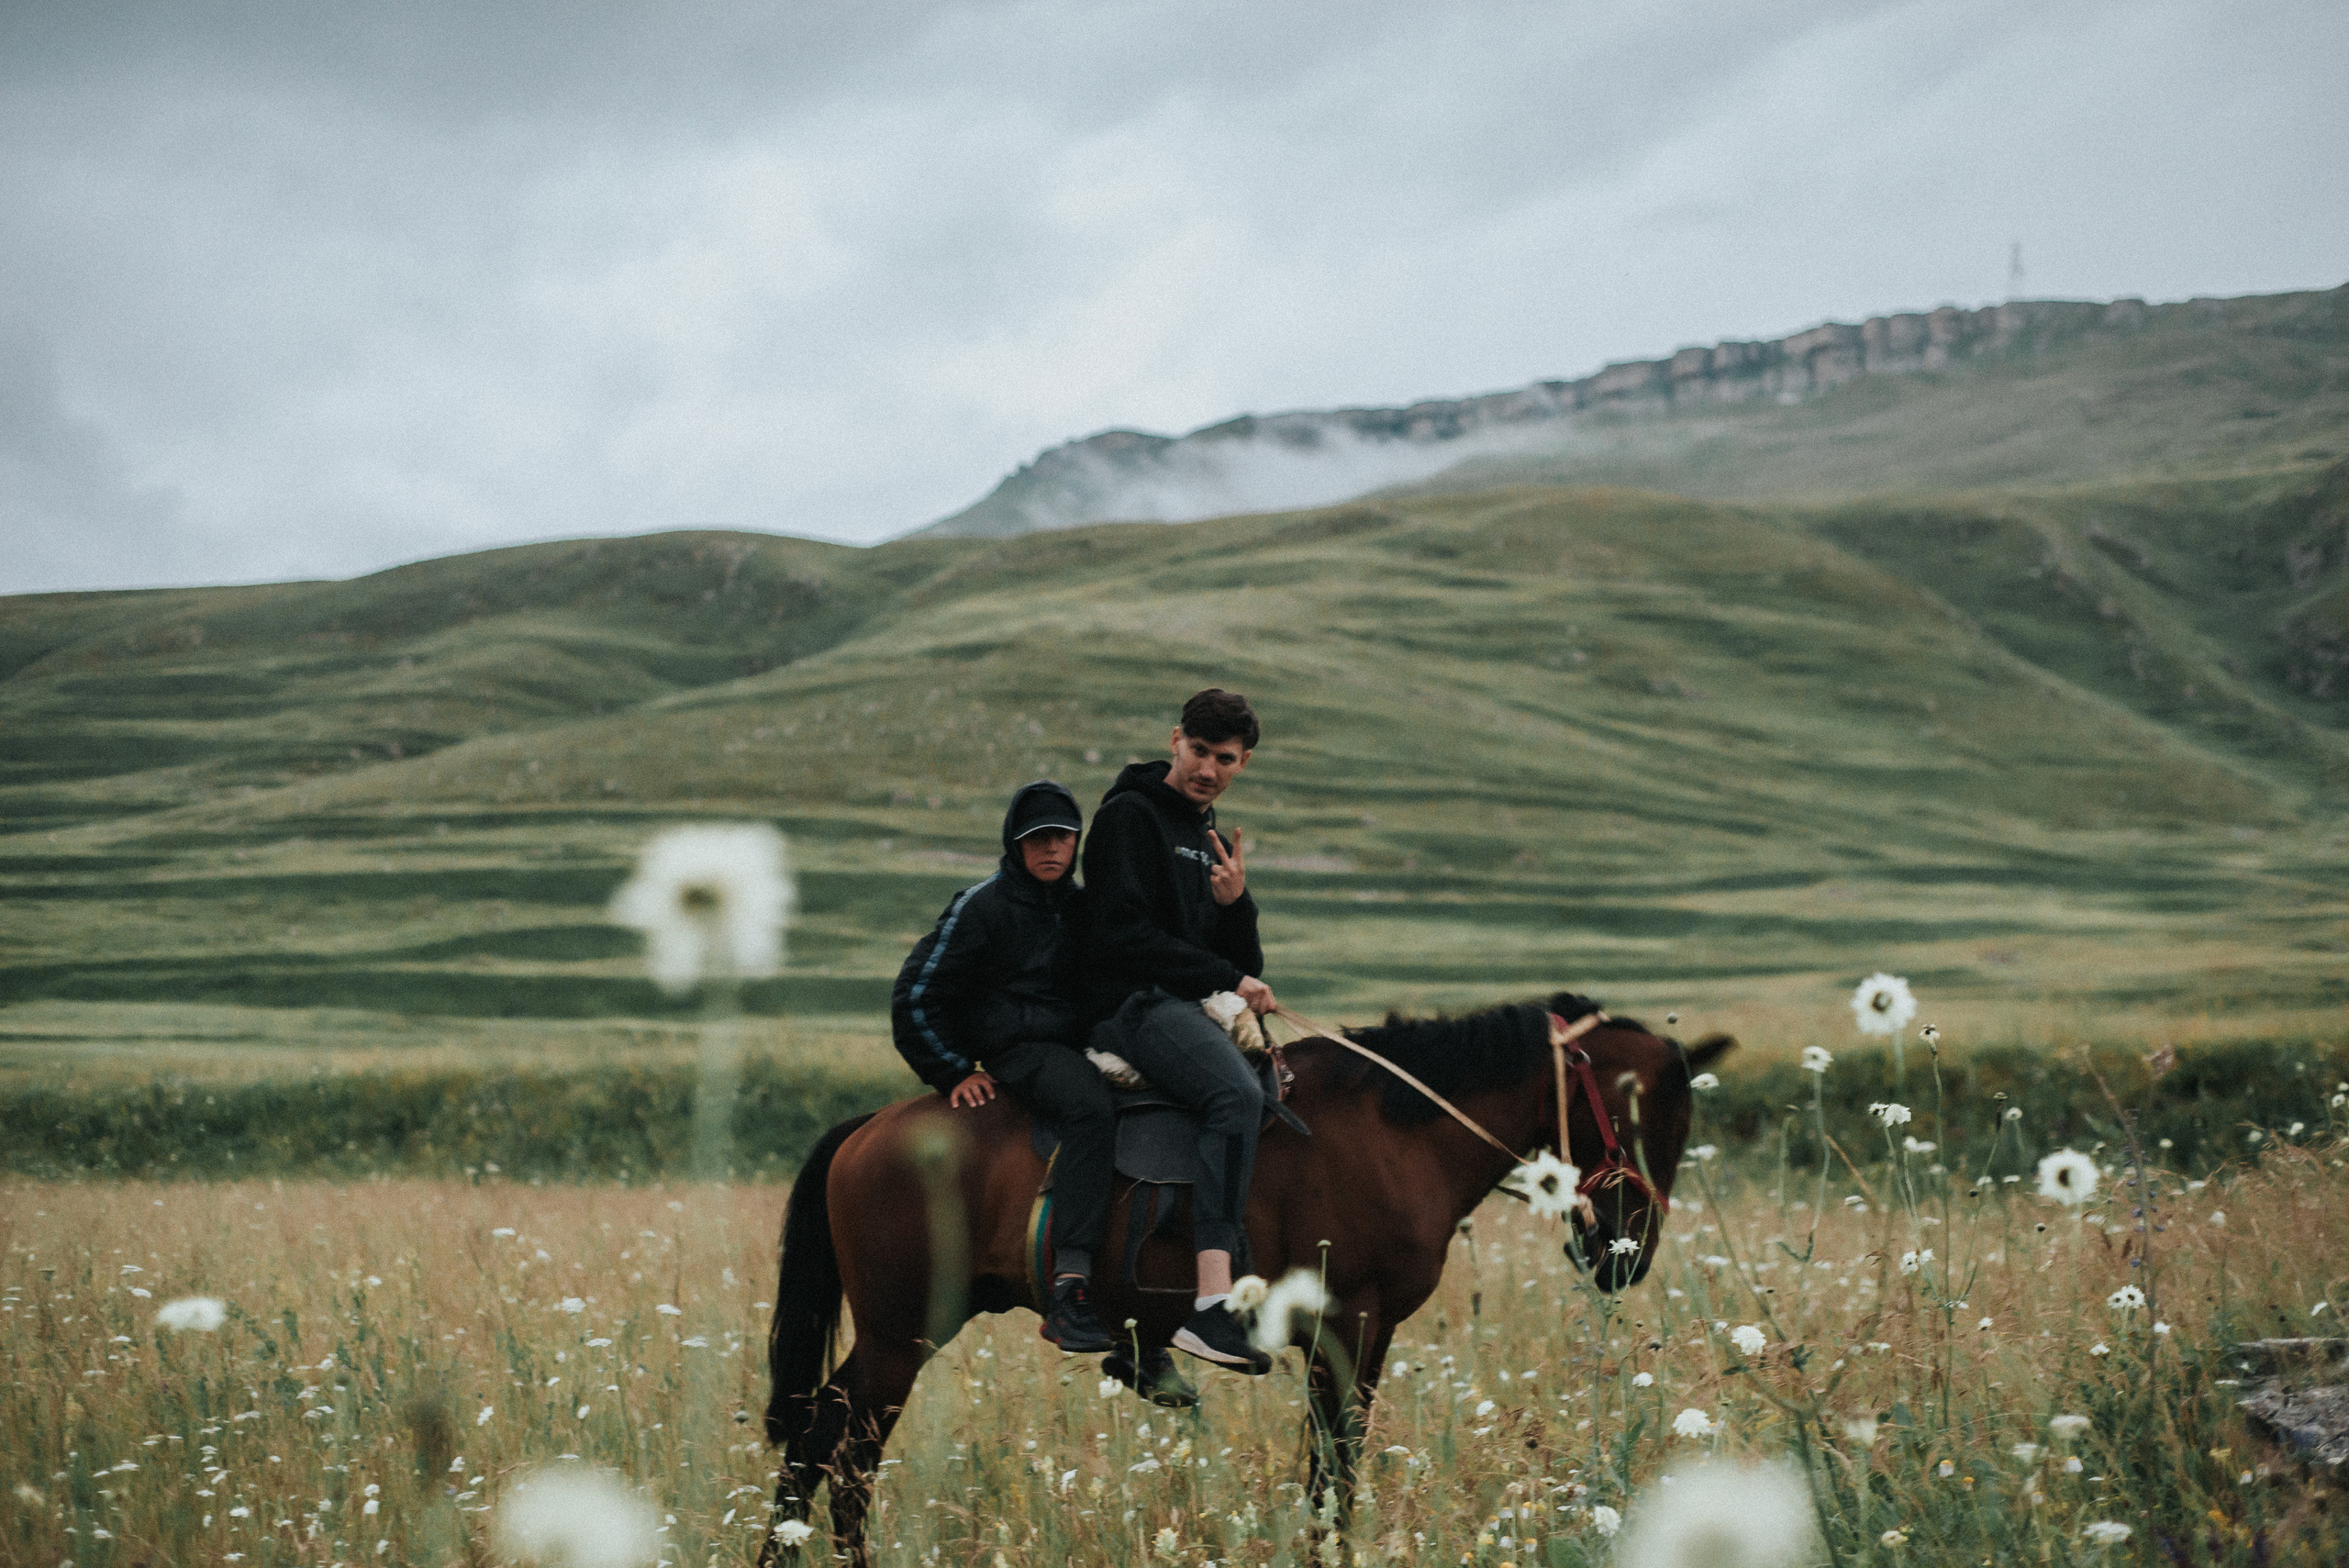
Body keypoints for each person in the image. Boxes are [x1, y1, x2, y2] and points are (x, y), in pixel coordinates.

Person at [1078, 688, 1276, 1373]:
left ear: (1243, 762)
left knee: (1270, 1089)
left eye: (1224, 758)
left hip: (1183, 1002)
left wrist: (1235, 903)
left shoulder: (1206, 834)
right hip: (1131, 1003)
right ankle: (1209, 1303)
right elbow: (1122, 934)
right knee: (1235, 1098)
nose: (1207, 769)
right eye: (1198, 751)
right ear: (1174, 740)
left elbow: (1240, 963)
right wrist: (1226, 973)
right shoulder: (1128, 817)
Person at [889, 779, 1116, 1353]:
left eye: (1062, 838)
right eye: (1037, 839)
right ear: (1015, 844)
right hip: (1020, 1051)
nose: (1051, 849)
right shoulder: (981, 907)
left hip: (1075, 1043)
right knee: (1091, 1108)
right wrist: (954, 1070)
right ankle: (1070, 1284)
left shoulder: (1082, 906)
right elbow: (915, 994)